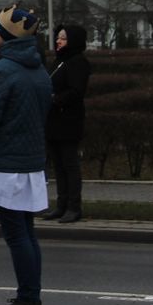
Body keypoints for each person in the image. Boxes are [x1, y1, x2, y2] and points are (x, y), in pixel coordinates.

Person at [0, 5, 53, 305]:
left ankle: (28, 299)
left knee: (17, 235)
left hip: (7, 165)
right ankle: (30, 296)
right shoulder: (37, 68)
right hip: (30, 161)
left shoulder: (2, 71)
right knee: (27, 234)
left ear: (6, 34)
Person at [43, 24, 91, 222]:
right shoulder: (58, 61)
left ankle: (74, 206)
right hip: (54, 121)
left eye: (63, 38)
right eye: (58, 38)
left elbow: (76, 91)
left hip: (68, 121)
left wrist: (55, 99)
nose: (58, 41)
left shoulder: (78, 62)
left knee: (70, 165)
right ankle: (61, 205)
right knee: (58, 165)